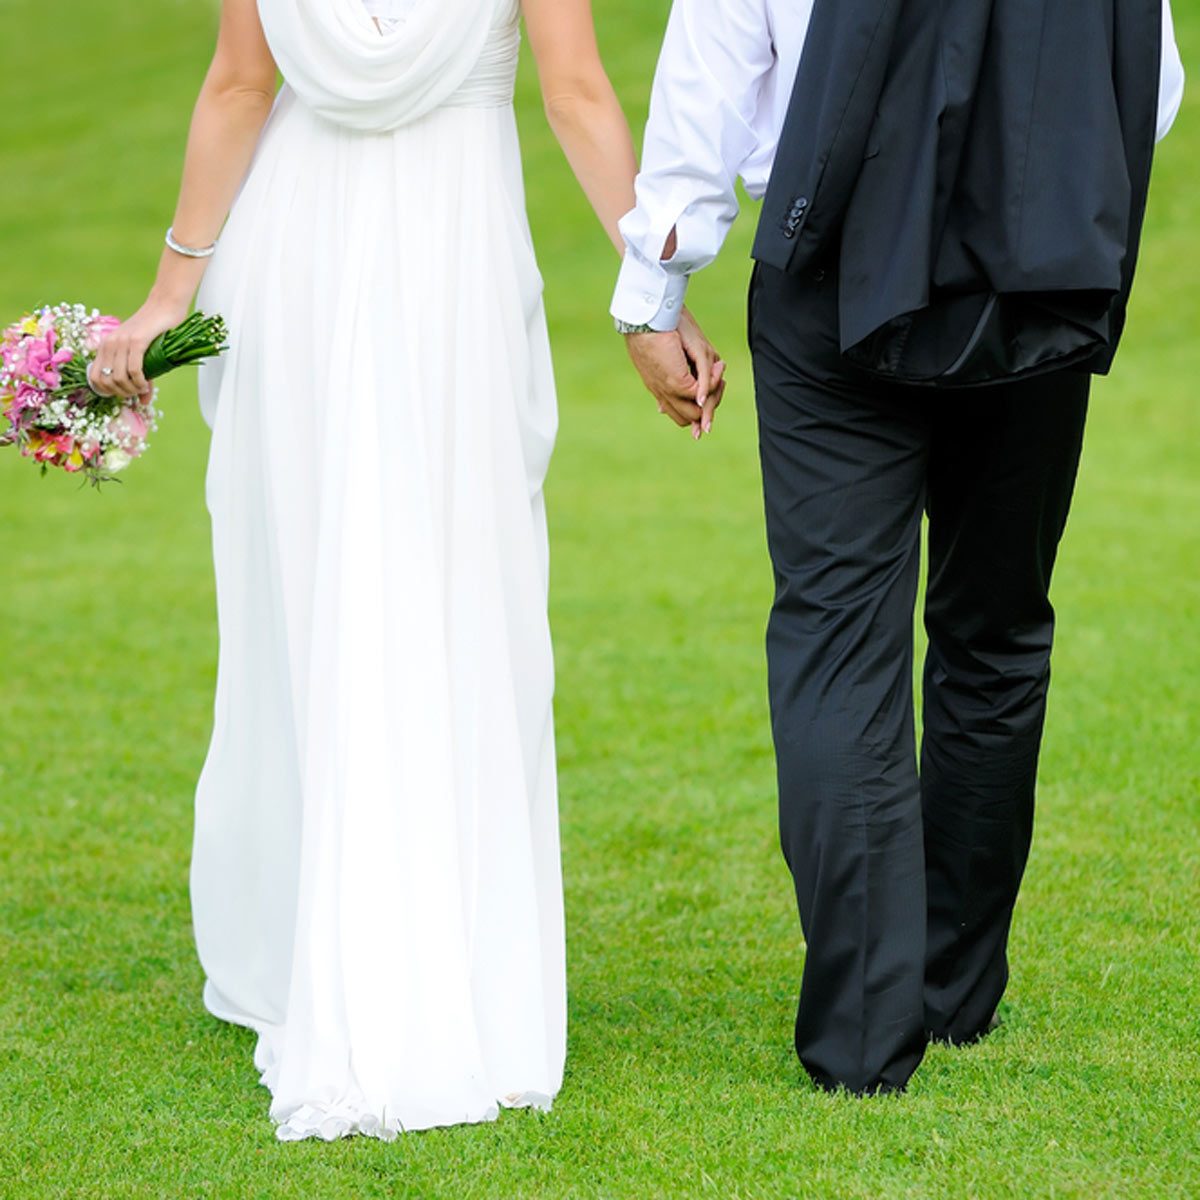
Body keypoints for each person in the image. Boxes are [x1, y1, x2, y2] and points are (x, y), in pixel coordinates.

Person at [87, 0, 722, 1141]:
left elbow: (242, 85)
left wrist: (171, 291)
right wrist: (653, 297)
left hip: (297, 259)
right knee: (454, 591)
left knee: (320, 588)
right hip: (448, 263)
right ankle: (449, 964)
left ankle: (326, 947)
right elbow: (575, 92)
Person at [614, 0, 1185, 1094]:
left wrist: (655, 289)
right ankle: (956, 993)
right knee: (998, 632)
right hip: (1038, 274)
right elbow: (1148, 94)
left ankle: (866, 1042)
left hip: (834, 273)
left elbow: (712, 75)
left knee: (838, 643)